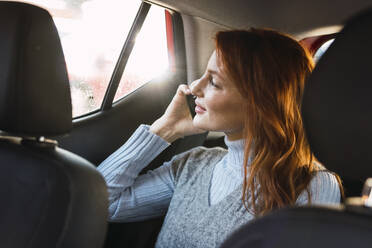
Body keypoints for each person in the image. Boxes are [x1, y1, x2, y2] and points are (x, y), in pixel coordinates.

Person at [97, 28, 342, 247]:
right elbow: (103, 203)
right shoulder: (194, 164)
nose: (194, 87)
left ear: (260, 103)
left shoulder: (312, 185)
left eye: (213, 81)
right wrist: (164, 130)